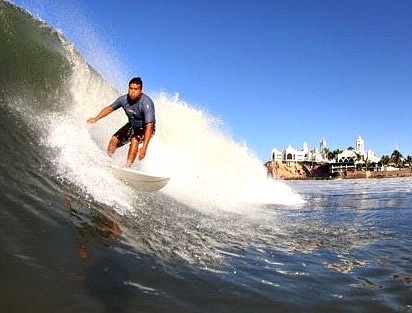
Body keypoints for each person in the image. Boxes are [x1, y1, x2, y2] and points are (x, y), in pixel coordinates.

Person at [87, 77, 156, 167]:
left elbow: (150, 126)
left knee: (135, 140)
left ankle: (128, 166)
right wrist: (96, 118)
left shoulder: (146, 103)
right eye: (130, 88)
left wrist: (144, 148)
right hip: (132, 126)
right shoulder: (123, 100)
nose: (132, 91)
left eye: (136, 89)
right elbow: (109, 108)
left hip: (146, 128)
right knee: (114, 140)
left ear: (141, 90)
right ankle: (107, 160)